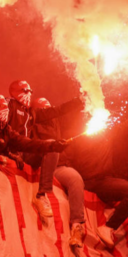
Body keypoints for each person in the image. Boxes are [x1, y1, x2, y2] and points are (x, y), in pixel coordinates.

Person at [58, 92, 128, 249]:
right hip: (84, 182)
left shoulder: (108, 134)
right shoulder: (77, 138)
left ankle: (108, 227)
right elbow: (65, 161)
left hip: (103, 183)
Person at [6, 81, 83, 219]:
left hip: (25, 153)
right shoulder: (7, 105)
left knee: (51, 146)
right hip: (8, 150)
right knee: (49, 145)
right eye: (26, 91)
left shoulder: (31, 113)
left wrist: (80, 100)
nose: (29, 94)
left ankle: (42, 195)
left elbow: (58, 111)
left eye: (31, 91)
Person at [32, 97, 87, 247]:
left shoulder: (57, 124)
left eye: (50, 107)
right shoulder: (30, 122)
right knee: (50, 147)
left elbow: (71, 118)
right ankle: (41, 195)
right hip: (39, 163)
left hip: (58, 166)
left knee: (75, 178)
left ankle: (77, 226)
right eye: (45, 108)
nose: (50, 112)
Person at [0, 94, 69, 165]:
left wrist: (52, 146)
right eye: (2, 106)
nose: (6, 110)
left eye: (6, 107)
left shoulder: (5, 129)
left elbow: (26, 143)